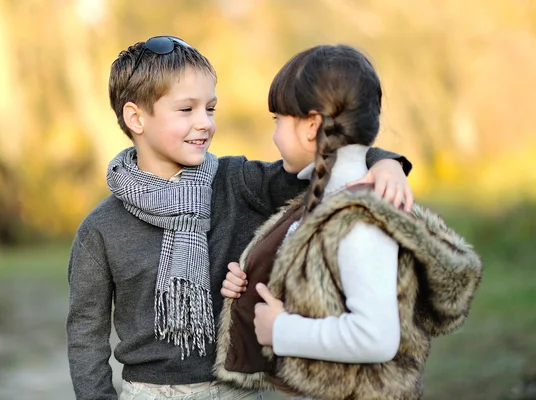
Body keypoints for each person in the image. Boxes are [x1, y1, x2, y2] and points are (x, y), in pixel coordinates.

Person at [67, 36, 414, 400]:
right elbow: (86, 334)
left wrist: (384, 162)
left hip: (238, 391)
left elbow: (328, 157)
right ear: (136, 117)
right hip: (151, 393)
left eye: (210, 109)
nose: (204, 123)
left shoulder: (238, 182)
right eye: (187, 110)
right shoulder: (100, 229)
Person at [216, 44, 482, 400]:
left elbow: (376, 338)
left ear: (311, 126)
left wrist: (281, 330)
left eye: (277, 121)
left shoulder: (359, 223)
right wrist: (248, 280)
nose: (275, 134)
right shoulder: (318, 204)